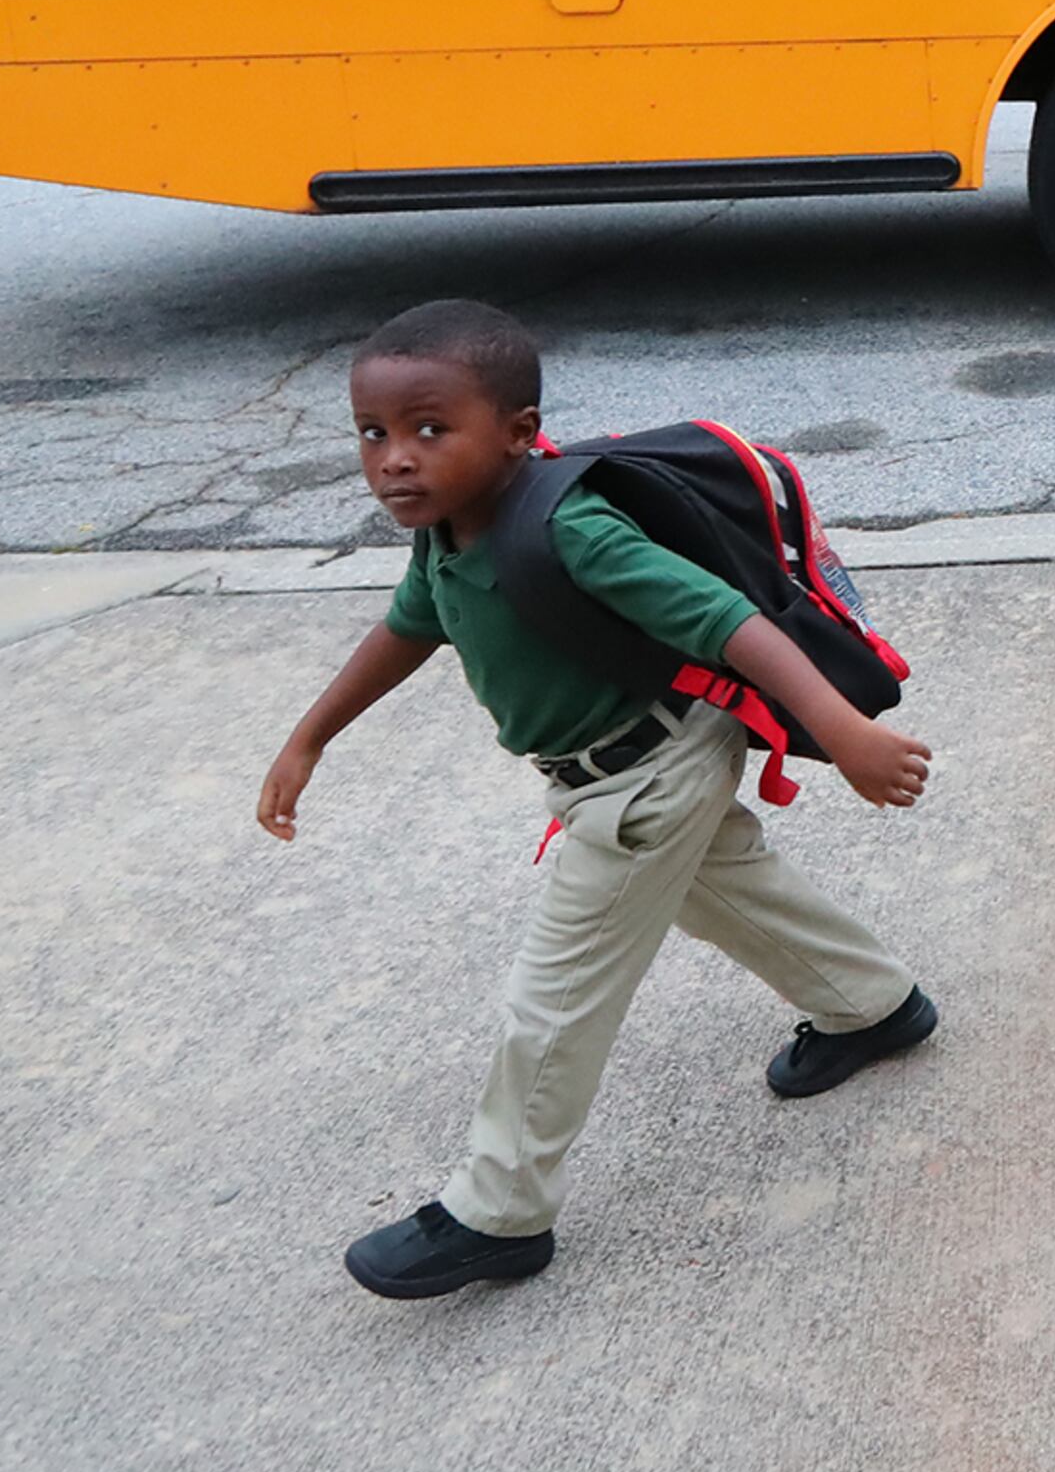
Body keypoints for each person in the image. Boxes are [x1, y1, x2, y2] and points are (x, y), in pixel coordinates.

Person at [256, 299, 941, 1299]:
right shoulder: (446, 528)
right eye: (374, 432)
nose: (394, 458)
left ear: (520, 434)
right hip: (619, 771)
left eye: (429, 429)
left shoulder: (570, 527)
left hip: (643, 780)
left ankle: (498, 1211)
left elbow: (730, 623)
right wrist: (309, 735)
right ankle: (875, 1005)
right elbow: (407, 629)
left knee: (555, 998)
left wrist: (845, 730)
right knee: (723, 888)